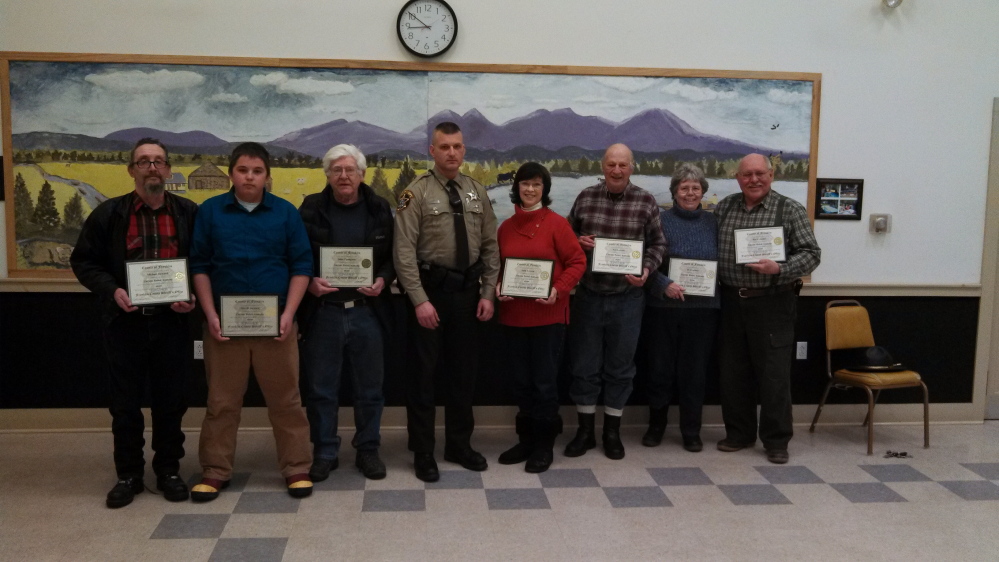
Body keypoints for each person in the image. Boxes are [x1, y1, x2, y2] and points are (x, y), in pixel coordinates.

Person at [71, 138, 198, 508]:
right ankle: (128, 474)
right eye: (143, 162)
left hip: (172, 323)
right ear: (131, 171)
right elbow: (84, 262)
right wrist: (112, 290)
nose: (152, 168)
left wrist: (190, 294)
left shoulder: (189, 213)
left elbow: (205, 262)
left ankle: (169, 470)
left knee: (171, 402)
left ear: (169, 169)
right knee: (125, 404)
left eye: (158, 161)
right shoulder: (109, 215)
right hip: (125, 323)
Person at [188, 142, 314, 500]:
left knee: (287, 401)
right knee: (221, 402)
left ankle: (296, 467)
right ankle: (215, 470)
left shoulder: (286, 214)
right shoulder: (210, 212)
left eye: (257, 171)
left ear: (267, 177)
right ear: (231, 174)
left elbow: (301, 267)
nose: (249, 177)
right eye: (243, 170)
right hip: (224, 328)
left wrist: (289, 315)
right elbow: (199, 266)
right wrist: (210, 315)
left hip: (277, 327)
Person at [393, 122, 500, 482]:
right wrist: (419, 300)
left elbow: (490, 246)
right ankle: (423, 451)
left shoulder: (476, 192)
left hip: (469, 295)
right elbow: (403, 253)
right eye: (444, 146)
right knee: (423, 377)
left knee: (463, 375)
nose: (451, 152)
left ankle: (459, 444)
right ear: (432, 151)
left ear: (464, 150)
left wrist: (487, 292)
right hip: (430, 295)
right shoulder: (415, 193)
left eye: (457, 146)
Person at [715, 153, 821, 464]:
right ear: (738, 178)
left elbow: (812, 254)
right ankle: (739, 434)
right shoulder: (724, 207)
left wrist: (780, 268)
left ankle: (776, 440)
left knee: (774, 375)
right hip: (731, 301)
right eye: (747, 175)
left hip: (773, 302)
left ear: (771, 175)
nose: (754, 180)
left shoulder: (789, 209)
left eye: (760, 173)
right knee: (733, 372)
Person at [564, 143, 668, 460]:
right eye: (611, 164)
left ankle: (612, 432)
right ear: (603, 166)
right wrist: (577, 242)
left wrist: (647, 270)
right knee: (584, 365)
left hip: (628, 298)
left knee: (621, 368)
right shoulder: (585, 197)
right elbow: (565, 237)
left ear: (632, 167)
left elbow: (657, 244)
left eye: (623, 164)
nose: (617, 170)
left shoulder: (646, 201)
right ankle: (585, 432)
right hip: (589, 296)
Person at [298, 144, 394, 482]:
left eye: (349, 170)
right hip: (323, 312)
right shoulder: (310, 208)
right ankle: (325, 452)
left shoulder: (380, 208)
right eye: (336, 170)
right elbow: (295, 253)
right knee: (322, 389)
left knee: (370, 388)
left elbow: (392, 258)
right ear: (327, 174)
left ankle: (368, 449)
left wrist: (382, 279)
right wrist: (308, 281)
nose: (343, 176)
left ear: (361, 174)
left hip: (368, 311)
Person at [495, 162, 586, 473]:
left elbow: (577, 262)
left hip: (548, 317)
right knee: (520, 383)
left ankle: (544, 445)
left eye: (536, 184)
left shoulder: (558, 224)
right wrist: (497, 286)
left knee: (545, 384)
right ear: (516, 187)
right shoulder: (505, 228)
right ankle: (526, 440)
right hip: (513, 317)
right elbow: (498, 267)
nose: (530, 189)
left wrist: (559, 290)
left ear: (545, 189)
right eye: (525, 183)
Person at [641, 163, 719, 453]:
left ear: (703, 192)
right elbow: (644, 260)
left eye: (695, 188)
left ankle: (691, 430)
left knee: (694, 372)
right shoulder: (659, 220)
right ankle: (656, 426)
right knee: (659, 369)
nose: (689, 193)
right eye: (683, 188)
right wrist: (663, 284)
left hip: (704, 310)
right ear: (674, 192)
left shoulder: (715, 222)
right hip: (663, 307)